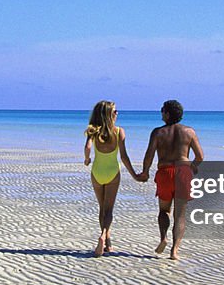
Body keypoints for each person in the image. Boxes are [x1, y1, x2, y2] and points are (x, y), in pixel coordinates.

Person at [136, 100, 204, 260]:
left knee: (164, 210)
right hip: (183, 172)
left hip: (165, 172)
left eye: (162, 110)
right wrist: (192, 166)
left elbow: (149, 155)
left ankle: (163, 238)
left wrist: (145, 172)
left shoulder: (158, 132)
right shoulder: (189, 132)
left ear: (167, 113)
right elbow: (200, 156)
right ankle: (175, 251)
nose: (161, 112)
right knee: (180, 215)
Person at [84, 100, 141, 257]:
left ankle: (107, 241)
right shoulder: (118, 132)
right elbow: (124, 157)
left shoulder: (93, 131)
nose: (117, 113)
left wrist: (87, 159)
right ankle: (103, 235)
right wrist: (134, 175)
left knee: (102, 208)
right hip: (112, 173)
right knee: (109, 209)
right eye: (115, 111)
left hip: (97, 172)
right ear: (108, 114)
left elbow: (88, 147)